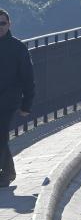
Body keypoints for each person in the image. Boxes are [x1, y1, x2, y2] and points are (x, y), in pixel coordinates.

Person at [0, 10, 35, 187]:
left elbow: (28, 77)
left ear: (9, 24)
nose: (0, 27)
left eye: (2, 23)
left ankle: (5, 174)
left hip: (8, 101)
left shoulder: (18, 47)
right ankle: (8, 170)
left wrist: (26, 104)